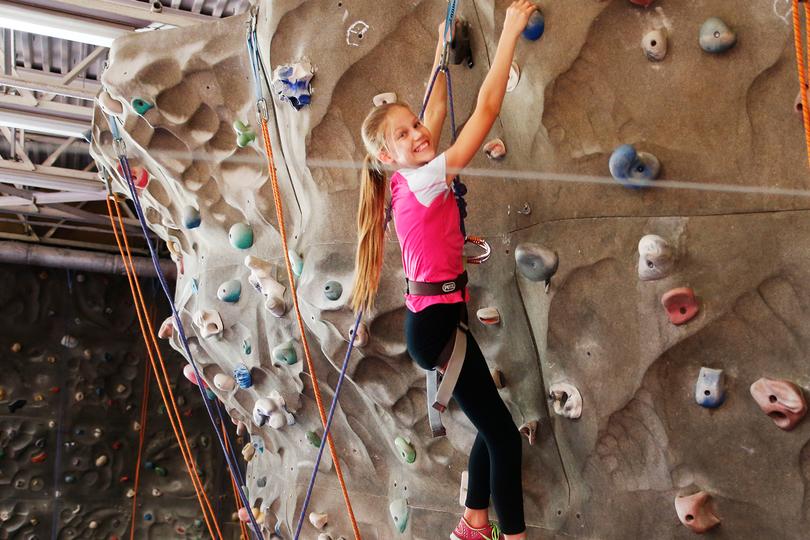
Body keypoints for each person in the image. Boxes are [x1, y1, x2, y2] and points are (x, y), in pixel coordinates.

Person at [350, 2, 536, 538]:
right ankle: (513, 536)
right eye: (403, 136)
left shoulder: (401, 181)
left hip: (435, 320)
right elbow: (487, 107)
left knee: (490, 424)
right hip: (434, 325)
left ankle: (475, 522)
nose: (417, 135)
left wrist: (439, 52)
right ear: (388, 155)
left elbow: (429, 116)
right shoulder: (424, 178)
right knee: (501, 436)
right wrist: (509, 33)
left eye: (413, 126)